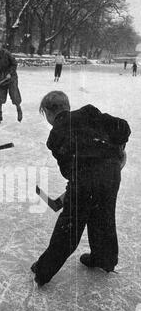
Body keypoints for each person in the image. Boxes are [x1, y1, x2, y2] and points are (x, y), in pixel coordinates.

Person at [31, 91, 131, 288]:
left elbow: (69, 169)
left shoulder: (54, 137)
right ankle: (104, 260)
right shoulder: (89, 112)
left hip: (85, 182)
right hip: (111, 175)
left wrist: (77, 185)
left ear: (49, 114)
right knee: (104, 217)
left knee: (69, 228)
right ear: (67, 106)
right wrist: (118, 151)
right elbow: (123, 128)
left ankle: (43, 272)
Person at [0, 38, 22, 124]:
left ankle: (18, 109)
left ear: (1, 45)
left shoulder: (7, 53)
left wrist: (10, 73)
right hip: (1, 77)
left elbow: (14, 63)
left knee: (14, 95)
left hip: (11, 77)